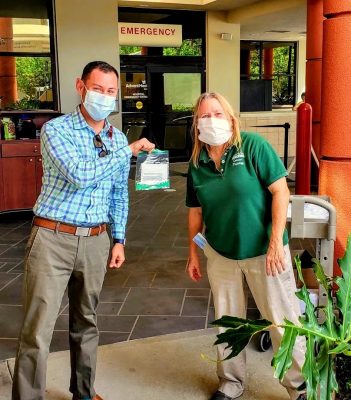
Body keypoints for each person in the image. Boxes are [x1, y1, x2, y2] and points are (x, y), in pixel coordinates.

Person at [12, 61, 155, 400]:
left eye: (111, 92)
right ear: (81, 87)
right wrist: (129, 150)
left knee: (87, 322)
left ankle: (84, 392)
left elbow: (119, 193)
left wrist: (119, 239)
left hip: (96, 241)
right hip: (52, 239)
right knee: (38, 329)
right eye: (98, 89)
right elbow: (80, 174)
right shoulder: (57, 130)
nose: (104, 97)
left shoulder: (116, 138)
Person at [186, 92, 306, 400]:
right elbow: (195, 211)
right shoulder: (197, 163)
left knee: (282, 320)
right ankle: (231, 383)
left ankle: (299, 386)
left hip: (265, 252)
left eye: (217, 113)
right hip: (220, 253)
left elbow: (281, 192)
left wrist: (276, 243)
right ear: (196, 123)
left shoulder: (253, 146)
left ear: (231, 119)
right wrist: (192, 253)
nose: (211, 120)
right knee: (229, 323)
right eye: (204, 115)